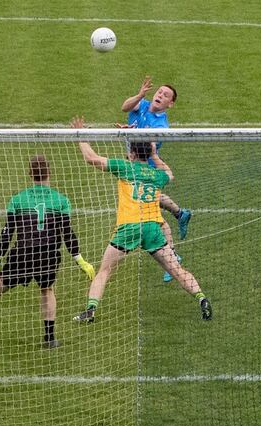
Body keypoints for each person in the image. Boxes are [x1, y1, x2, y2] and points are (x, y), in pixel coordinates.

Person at [70, 117, 211, 323]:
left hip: (129, 227)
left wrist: (80, 136)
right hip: (153, 228)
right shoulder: (156, 175)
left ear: (133, 154)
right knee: (177, 270)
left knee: (105, 271)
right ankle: (202, 299)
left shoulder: (125, 167)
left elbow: (92, 158)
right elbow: (169, 174)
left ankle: (90, 311)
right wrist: (155, 154)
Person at [0, 155, 96, 348]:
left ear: (30, 174)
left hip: (22, 254)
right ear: (49, 173)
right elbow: (67, 233)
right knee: (47, 290)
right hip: (48, 254)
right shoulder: (61, 201)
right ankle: (50, 338)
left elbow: (7, 232)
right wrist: (81, 261)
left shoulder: (18, 199)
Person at [120, 75, 191, 283]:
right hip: (135, 164)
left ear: (171, 104)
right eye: (159, 92)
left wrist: (132, 132)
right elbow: (125, 107)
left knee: (154, 215)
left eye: (166, 95)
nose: (160, 95)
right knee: (155, 209)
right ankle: (180, 214)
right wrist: (140, 95)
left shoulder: (162, 126)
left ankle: (173, 256)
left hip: (147, 168)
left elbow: (148, 144)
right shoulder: (141, 104)